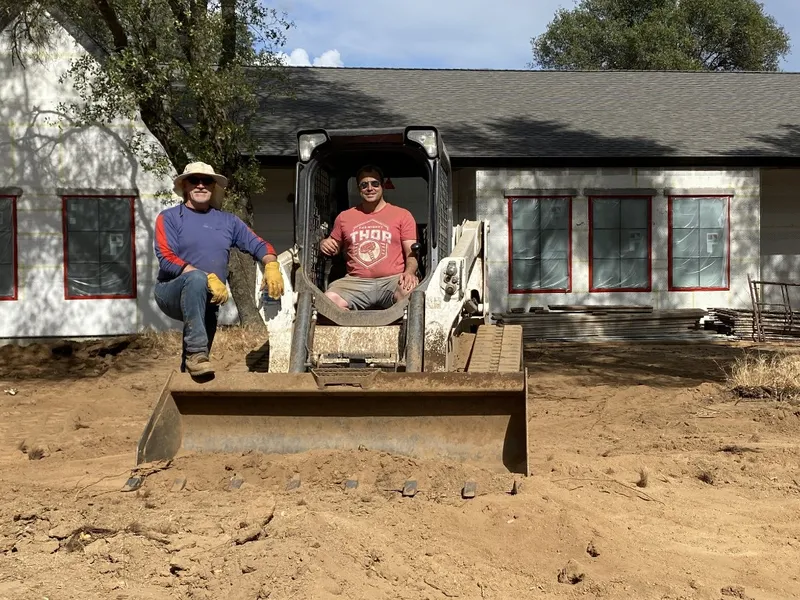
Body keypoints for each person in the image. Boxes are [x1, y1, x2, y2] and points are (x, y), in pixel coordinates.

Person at [153, 162, 284, 377]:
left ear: (214, 187)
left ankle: (188, 387)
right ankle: (196, 353)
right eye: (195, 180)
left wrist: (271, 264)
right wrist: (205, 277)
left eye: (207, 181)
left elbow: (259, 244)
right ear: (185, 186)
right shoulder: (169, 218)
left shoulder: (227, 221)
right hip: (170, 291)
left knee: (199, 365)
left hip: (209, 300)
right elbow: (166, 259)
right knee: (196, 281)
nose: (201, 185)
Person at [320, 164, 419, 310]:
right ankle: (354, 328)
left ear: (382, 185)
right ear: (358, 188)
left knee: (411, 296)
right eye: (364, 184)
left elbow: (412, 252)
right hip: (355, 283)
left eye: (375, 183)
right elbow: (333, 246)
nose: (370, 188)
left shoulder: (402, 215)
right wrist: (324, 243)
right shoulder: (344, 217)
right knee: (327, 303)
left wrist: (410, 272)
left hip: (392, 281)